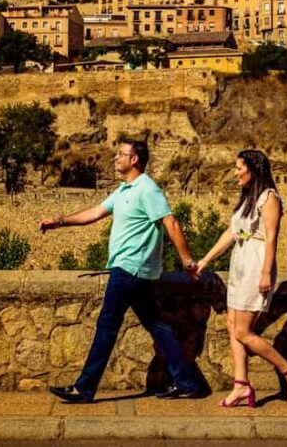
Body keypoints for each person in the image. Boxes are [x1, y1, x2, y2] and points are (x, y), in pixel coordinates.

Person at [39, 139, 201, 403]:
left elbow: (170, 221)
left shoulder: (147, 189)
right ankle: (186, 382)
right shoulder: (125, 189)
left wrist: (187, 260)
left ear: (134, 159)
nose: (115, 157)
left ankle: (85, 388)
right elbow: (95, 212)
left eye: (121, 154)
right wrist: (59, 222)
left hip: (129, 268)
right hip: (133, 271)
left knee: (107, 325)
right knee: (158, 326)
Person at [194, 149, 287, 407]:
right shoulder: (249, 198)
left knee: (244, 332)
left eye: (239, 168)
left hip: (256, 264)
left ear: (253, 169)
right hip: (240, 263)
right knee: (232, 326)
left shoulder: (270, 197)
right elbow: (231, 233)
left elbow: (271, 237)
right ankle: (241, 386)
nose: (236, 173)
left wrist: (266, 273)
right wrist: (205, 260)